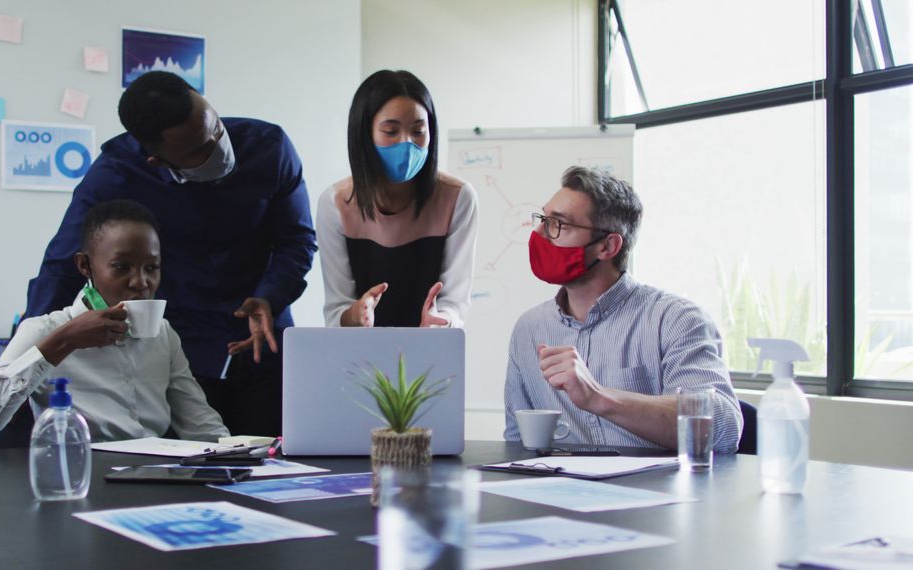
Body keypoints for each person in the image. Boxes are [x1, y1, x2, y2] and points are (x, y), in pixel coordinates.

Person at [24, 71, 316, 437]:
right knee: (183, 466)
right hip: (176, 341)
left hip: (258, 334)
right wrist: (38, 347)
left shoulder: (268, 146)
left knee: (268, 458)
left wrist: (271, 296)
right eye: (199, 150)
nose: (219, 149)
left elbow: (298, 240)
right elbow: (63, 265)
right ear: (158, 161)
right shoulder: (116, 175)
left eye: (217, 130)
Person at [0, 200, 228, 449]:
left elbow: (200, 424)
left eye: (151, 268)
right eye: (122, 267)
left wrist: (243, 459)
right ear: (85, 266)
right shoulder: (46, 330)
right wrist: (62, 342)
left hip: (150, 479)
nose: (141, 282)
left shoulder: (163, 334)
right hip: (80, 479)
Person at [503, 166, 743, 452]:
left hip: (654, 492)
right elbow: (517, 442)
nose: (540, 233)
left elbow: (721, 429)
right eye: (543, 219)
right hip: (560, 493)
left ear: (607, 246)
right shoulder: (529, 328)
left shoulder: (675, 320)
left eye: (560, 224)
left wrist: (599, 397)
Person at [317, 70, 477, 327]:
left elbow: (455, 301)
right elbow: (337, 309)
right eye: (391, 131)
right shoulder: (337, 203)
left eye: (418, 131)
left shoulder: (457, 198)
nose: (407, 144)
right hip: (359, 356)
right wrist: (357, 313)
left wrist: (441, 320)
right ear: (364, 134)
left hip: (433, 351)